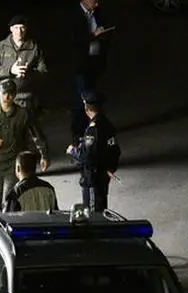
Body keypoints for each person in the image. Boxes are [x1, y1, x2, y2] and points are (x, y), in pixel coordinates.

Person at [0, 79, 50, 210]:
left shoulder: (23, 114)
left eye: (9, 94)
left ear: (14, 95)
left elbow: (36, 135)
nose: (6, 97)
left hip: (13, 163)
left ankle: (8, 223)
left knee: (8, 199)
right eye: (3, 93)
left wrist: (44, 155)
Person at [67, 91, 119, 211]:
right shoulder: (107, 124)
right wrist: (111, 168)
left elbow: (87, 156)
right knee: (102, 209)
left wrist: (73, 151)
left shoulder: (93, 129)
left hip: (93, 179)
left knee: (93, 213)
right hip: (103, 176)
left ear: (86, 107)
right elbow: (115, 150)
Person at [69, 0, 113, 139]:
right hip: (81, 64)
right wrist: (93, 36)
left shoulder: (97, 12)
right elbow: (75, 39)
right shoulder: (74, 15)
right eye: (94, 1)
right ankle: (78, 132)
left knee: (94, 95)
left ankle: (95, 127)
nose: (97, 4)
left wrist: (104, 34)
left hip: (95, 61)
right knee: (81, 98)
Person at [0, 15, 48, 112]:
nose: (19, 31)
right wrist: (10, 70)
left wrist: (29, 73)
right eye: (16, 28)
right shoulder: (1, 47)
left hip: (25, 98)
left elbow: (43, 72)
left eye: (22, 27)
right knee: (2, 125)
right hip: (4, 96)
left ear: (26, 29)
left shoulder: (34, 48)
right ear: (11, 29)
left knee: (25, 126)